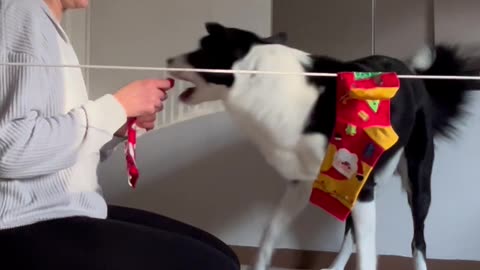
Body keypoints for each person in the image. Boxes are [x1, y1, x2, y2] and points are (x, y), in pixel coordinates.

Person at [0, 0, 239, 269]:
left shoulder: (46, 26)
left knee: (222, 255)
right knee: (215, 265)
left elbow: (57, 153)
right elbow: (11, 148)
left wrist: (114, 128)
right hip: (23, 222)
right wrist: (116, 107)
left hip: (68, 208)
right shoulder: (21, 11)